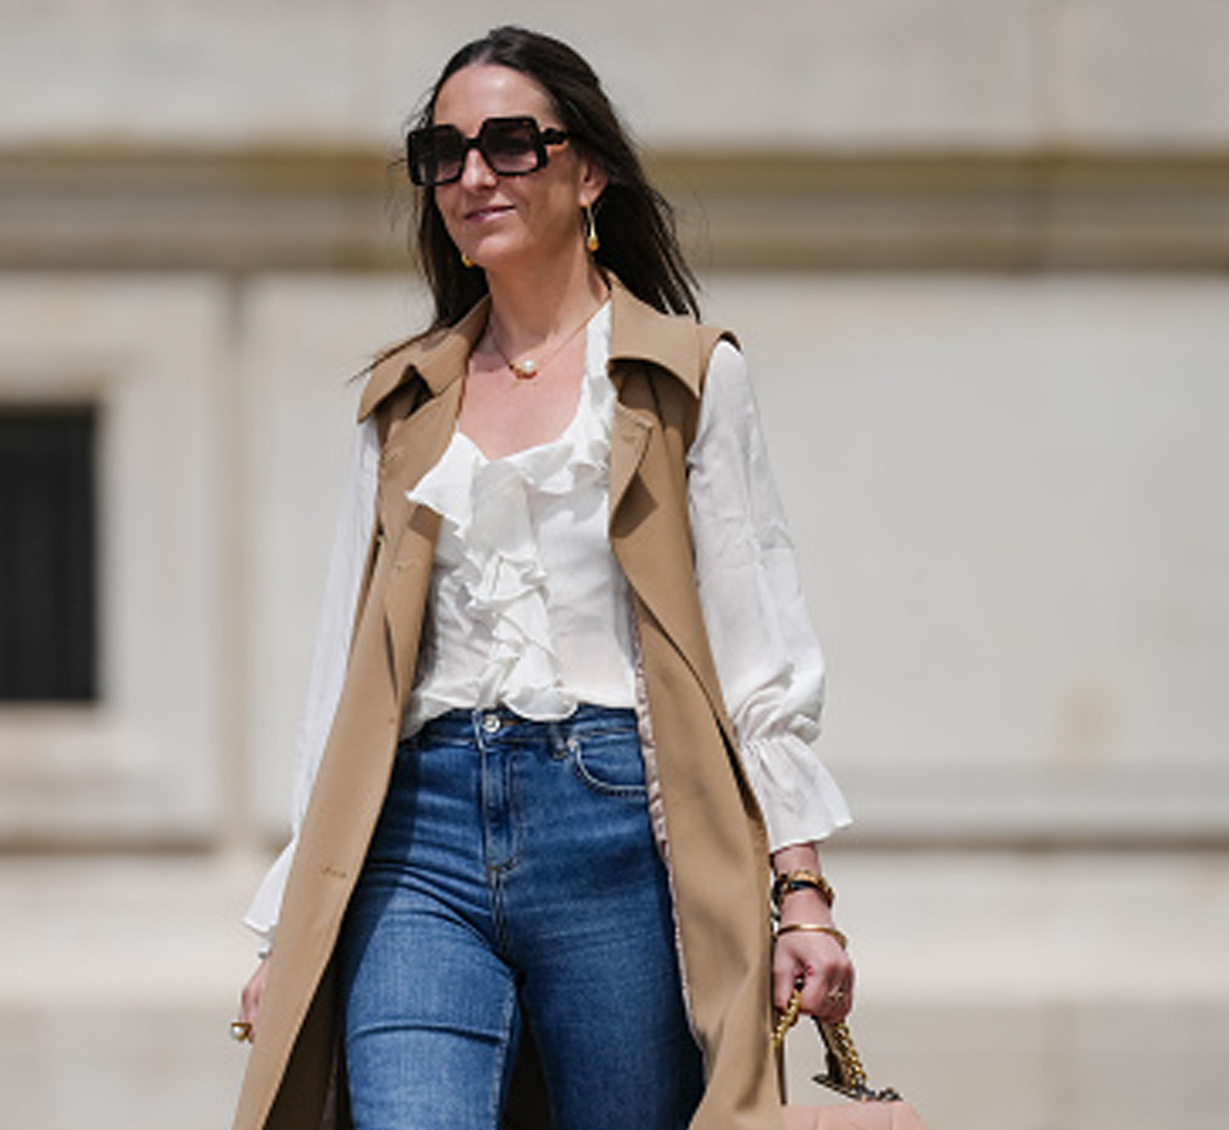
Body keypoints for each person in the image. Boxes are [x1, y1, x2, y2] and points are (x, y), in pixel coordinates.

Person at [230, 26, 854, 1130]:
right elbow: (341, 678)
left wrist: (800, 895)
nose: (472, 175)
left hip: (614, 829)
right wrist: (295, 926)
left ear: (587, 170)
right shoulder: (403, 401)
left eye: (510, 144)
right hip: (413, 841)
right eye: (444, 152)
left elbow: (758, 648)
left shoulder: (683, 377)